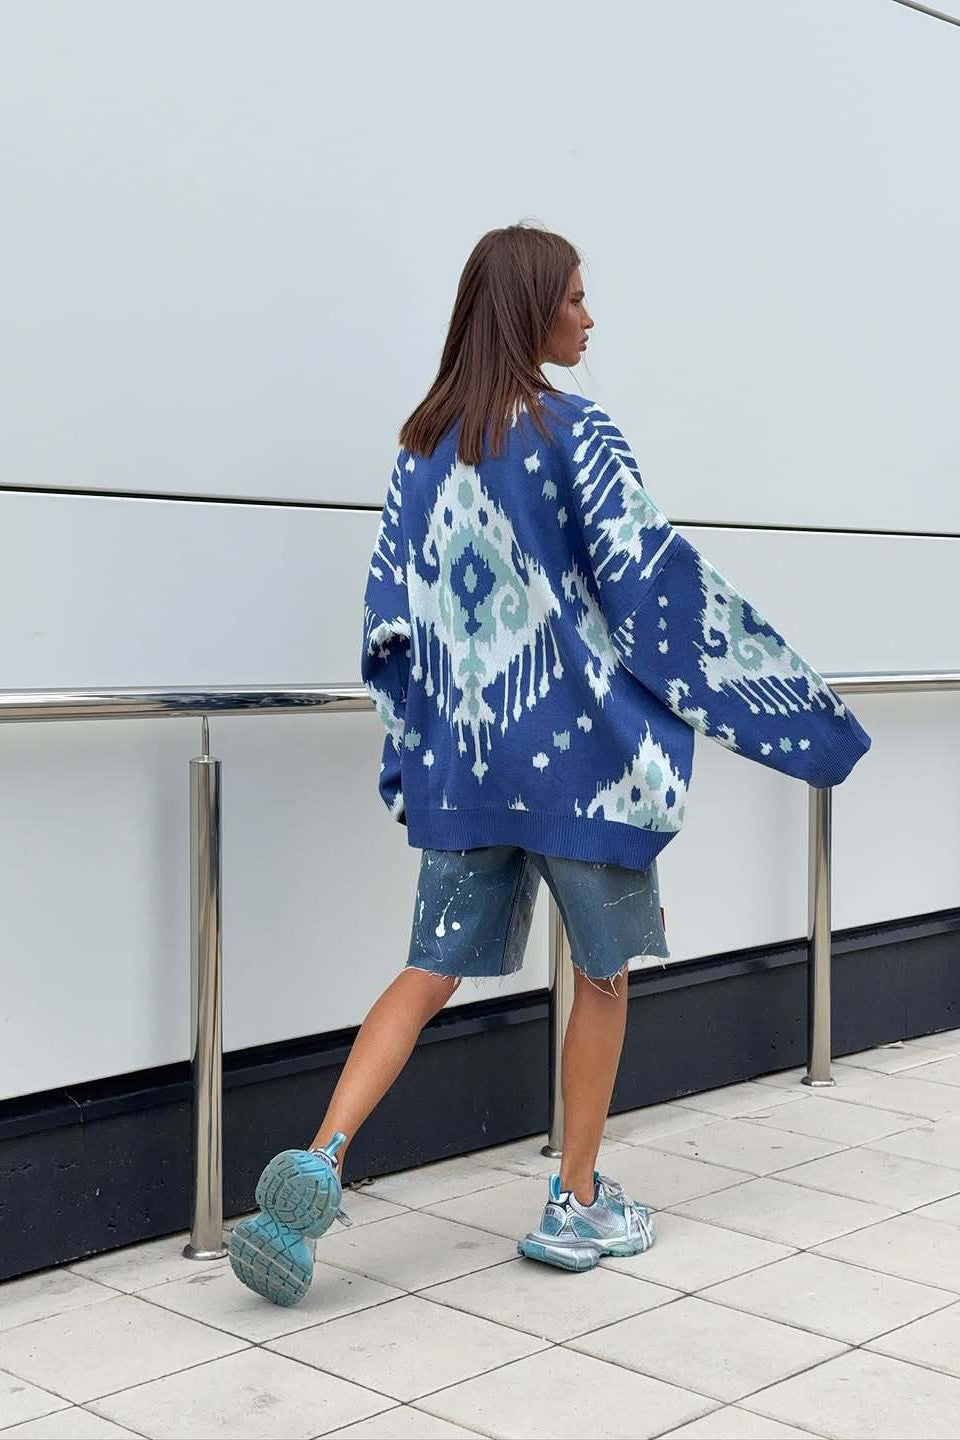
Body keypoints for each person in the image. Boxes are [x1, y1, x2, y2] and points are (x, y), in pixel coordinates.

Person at [228, 223, 872, 1305]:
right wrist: (801, 716)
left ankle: (319, 1165)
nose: (589, 317)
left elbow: (389, 623)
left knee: (426, 973)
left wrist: (416, 756)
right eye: (575, 297)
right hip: (585, 770)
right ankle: (574, 1204)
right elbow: (661, 591)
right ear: (532, 309)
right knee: (602, 979)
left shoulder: (421, 452)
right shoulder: (579, 434)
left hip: (470, 771)